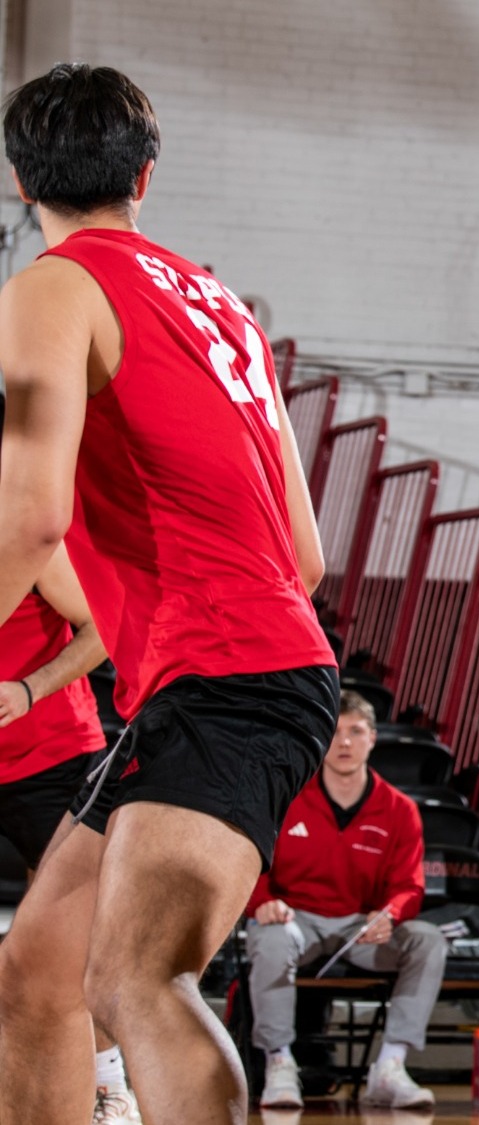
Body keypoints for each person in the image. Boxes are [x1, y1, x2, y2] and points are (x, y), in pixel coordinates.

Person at [0, 64, 340, 1125]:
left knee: (134, 981)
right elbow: (307, 553)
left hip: (229, 682)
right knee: (35, 979)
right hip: (221, 677)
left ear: (20, 185)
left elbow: (30, 517)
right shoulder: (224, 306)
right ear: (145, 177)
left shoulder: (52, 286)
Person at [246, 692, 446, 1110]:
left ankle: (390, 1066)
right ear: (321, 739)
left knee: (427, 940)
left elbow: (410, 885)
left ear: (372, 739)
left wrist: (389, 914)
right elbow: (249, 860)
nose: (345, 743)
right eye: (335, 732)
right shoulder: (288, 795)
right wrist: (262, 901)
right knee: (271, 937)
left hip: (361, 927)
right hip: (295, 919)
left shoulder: (400, 809)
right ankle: (279, 1063)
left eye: (356, 731)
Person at [0, 535, 141, 1125]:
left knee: (68, 939)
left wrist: (28, 690)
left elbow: (104, 628)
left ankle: (108, 1087)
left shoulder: (24, 536)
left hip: (50, 755)